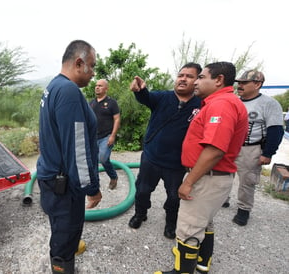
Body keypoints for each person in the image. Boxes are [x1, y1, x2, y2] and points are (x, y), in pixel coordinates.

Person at [155, 62, 248, 274]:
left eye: (201, 77)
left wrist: (188, 182)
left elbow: (215, 149)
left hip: (207, 178)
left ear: (219, 80)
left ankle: (182, 271)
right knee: (204, 222)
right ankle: (202, 261)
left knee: (188, 228)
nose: (196, 82)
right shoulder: (219, 102)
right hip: (213, 178)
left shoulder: (221, 105)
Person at [36, 40, 102, 274]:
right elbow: (78, 149)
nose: (92, 73)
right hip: (63, 184)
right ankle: (63, 264)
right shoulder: (69, 91)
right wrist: (92, 187)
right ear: (78, 62)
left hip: (52, 177)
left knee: (63, 227)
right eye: (91, 66)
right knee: (63, 238)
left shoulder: (54, 86)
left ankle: (70, 247)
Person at [128, 62, 202, 240]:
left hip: (176, 164)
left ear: (197, 81)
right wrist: (140, 90)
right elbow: (146, 98)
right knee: (143, 190)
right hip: (151, 158)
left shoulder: (201, 104)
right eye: (181, 75)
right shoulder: (162, 97)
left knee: (174, 197)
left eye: (189, 76)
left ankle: (170, 223)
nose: (183, 79)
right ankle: (140, 214)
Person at [225, 70, 283, 226]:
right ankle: (223, 199)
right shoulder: (234, 101)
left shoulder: (269, 104)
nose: (240, 85)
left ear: (257, 84)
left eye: (244, 83)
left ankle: (243, 210)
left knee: (247, 180)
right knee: (224, 174)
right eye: (239, 82)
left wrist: (268, 153)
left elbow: (276, 130)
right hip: (230, 146)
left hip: (251, 148)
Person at [89, 79, 120, 189]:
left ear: (106, 88)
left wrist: (113, 135)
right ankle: (95, 184)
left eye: (100, 86)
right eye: (96, 85)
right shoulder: (91, 103)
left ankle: (113, 176)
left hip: (106, 136)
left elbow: (117, 119)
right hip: (93, 138)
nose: (97, 87)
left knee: (102, 158)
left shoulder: (112, 103)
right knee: (93, 161)